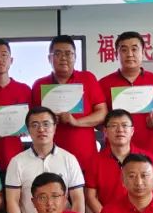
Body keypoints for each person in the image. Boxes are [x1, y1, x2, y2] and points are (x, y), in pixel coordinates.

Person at [30, 36, 106, 172]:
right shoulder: (39, 85)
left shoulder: (88, 79)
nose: (63, 58)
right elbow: (32, 120)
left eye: (68, 53)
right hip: (49, 159)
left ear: (75, 57)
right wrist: (48, 120)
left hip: (85, 159)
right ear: (49, 58)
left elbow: (102, 113)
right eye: (58, 53)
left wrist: (76, 122)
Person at [4, 106, 85, 213]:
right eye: (35, 125)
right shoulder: (17, 162)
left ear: (55, 127)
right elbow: (12, 201)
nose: (41, 129)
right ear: (28, 130)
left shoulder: (69, 159)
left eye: (46, 124)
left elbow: (78, 199)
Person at [98, 31, 153, 160]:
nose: (130, 54)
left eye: (134, 49)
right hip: (115, 151)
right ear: (116, 54)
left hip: (149, 149)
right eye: (124, 50)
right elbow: (99, 120)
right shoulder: (103, 84)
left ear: (143, 52)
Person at [85, 109, 153, 213]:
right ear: (105, 131)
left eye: (124, 125)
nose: (120, 130)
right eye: (114, 126)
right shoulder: (94, 161)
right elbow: (90, 197)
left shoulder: (149, 159)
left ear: (132, 131)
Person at [0, 38, 33, 174]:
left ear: (11, 60)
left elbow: (33, 122)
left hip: (18, 160)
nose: (0, 59)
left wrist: (26, 128)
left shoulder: (24, 90)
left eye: (4, 55)